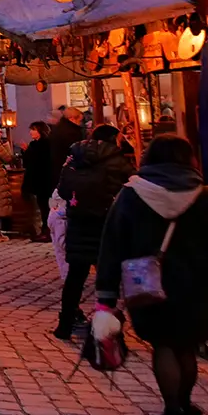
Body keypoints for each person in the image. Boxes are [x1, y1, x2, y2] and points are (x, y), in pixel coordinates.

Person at [96, 135, 208, 415]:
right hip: (197, 288)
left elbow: (112, 245)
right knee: (186, 346)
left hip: (148, 287)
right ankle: (184, 404)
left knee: (164, 346)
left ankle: (172, 411)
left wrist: (105, 295)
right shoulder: (207, 197)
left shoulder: (131, 195)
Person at [54, 123, 134, 339]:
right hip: (107, 224)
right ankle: (105, 327)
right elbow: (132, 186)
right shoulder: (117, 160)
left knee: (75, 277)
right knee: (107, 277)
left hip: (79, 224)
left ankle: (65, 324)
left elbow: (62, 190)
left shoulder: (74, 159)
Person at [20, 121, 55, 242]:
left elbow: (35, 161)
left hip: (42, 178)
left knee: (44, 205)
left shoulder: (43, 144)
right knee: (41, 204)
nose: (31, 132)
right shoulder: (35, 144)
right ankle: (43, 228)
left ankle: (46, 229)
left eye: (33, 129)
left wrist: (27, 151)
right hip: (39, 178)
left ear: (40, 131)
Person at [46, 106, 85, 176]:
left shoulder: (59, 127)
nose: (80, 123)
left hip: (57, 165)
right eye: (79, 121)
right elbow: (76, 150)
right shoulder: (71, 132)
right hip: (68, 167)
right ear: (72, 119)